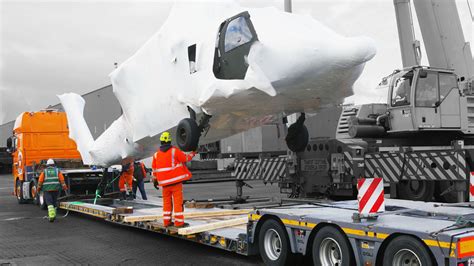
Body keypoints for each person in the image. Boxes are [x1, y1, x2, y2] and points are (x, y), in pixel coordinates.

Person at [152, 132, 196, 227]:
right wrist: (193, 153)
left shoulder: (156, 155)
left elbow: (154, 170)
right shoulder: (174, 151)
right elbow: (185, 159)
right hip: (175, 183)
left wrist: (155, 181)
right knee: (177, 202)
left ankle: (167, 222)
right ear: (170, 141)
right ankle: (179, 222)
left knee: (167, 203)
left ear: (161, 142)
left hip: (164, 184)